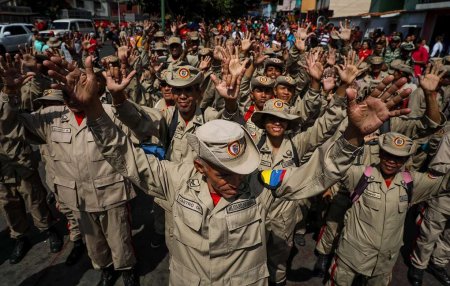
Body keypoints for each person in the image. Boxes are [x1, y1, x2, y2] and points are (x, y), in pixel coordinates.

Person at [43, 46, 413, 284]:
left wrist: (350, 136)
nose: (235, 180)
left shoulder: (260, 181)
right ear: (200, 165)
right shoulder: (174, 178)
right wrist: (93, 109)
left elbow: (313, 175)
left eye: (240, 168)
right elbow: (125, 156)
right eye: (224, 170)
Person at [0, 55, 145, 286]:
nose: (74, 96)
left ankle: (127, 270)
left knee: (120, 241)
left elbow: (140, 125)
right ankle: (106, 270)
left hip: (112, 194)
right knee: (94, 244)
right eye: (68, 92)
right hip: (78, 198)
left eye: (80, 88)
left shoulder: (111, 112)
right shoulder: (51, 117)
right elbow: (11, 127)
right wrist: (9, 93)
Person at [326, 132, 450, 286]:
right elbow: (333, 163)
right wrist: (353, 133)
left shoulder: (411, 182)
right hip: (351, 257)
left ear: (405, 159)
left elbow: (443, 182)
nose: (391, 161)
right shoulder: (361, 175)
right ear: (380, 153)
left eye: (398, 158)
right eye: (387, 155)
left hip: (384, 263)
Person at [408, 130, 450, 286]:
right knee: (429, 233)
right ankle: (418, 265)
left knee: (448, 237)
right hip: (444, 195)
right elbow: (438, 166)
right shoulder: (449, 137)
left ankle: (438, 263)